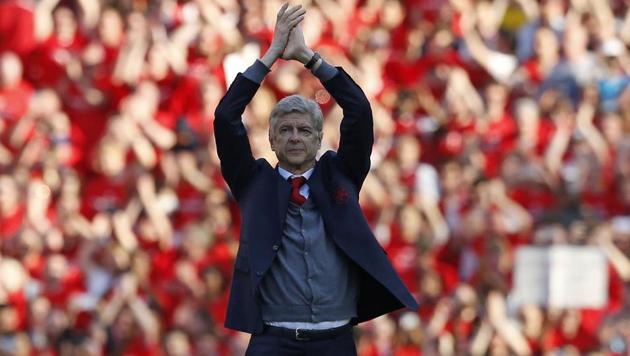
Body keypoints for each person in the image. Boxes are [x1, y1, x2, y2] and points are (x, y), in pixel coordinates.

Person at [213, 3, 418, 355]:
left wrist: (308, 58)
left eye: (304, 130)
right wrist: (270, 57)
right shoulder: (253, 183)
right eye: (286, 131)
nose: (294, 137)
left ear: (320, 138)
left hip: (335, 340)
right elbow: (225, 117)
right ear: (273, 140)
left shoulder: (342, 174)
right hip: (273, 340)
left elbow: (358, 110)